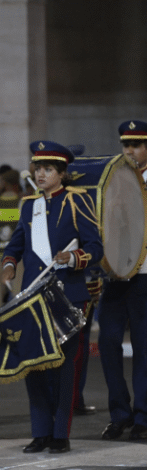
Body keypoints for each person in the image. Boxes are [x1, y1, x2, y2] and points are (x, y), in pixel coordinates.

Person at [1, 141, 103, 453]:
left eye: (48, 169)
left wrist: (73, 259)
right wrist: (8, 265)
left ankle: (60, 432)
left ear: (61, 173)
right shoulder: (29, 205)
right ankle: (40, 431)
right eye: (38, 168)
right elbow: (16, 244)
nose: (41, 174)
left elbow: (95, 247)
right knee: (35, 365)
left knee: (63, 366)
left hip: (68, 294)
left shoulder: (77, 200)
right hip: (33, 295)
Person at [98, 120, 147, 441]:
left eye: (136, 144)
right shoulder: (113, 181)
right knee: (107, 343)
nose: (129, 150)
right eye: (125, 145)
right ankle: (119, 412)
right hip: (115, 273)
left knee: (144, 347)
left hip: (145, 273)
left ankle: (143, 414)